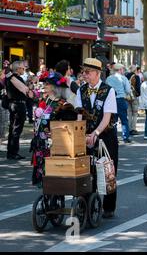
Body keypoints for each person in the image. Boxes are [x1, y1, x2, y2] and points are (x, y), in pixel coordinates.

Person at [76, 58, 118, 219]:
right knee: (86, 169)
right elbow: (79, 114)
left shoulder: (109, 90)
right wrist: (81, 134)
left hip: (106, 135)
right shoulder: (81, 90)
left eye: (88, 72)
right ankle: (86, 203)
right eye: (83, 72)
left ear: (97, 73)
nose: (85, 75)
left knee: (108, 170)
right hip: (86, 135)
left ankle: (109, 207)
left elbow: (107, 117)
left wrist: (96, 133)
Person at [31, 71, 77, 187]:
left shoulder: (63, 104)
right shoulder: (44, 100)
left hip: (54, 144)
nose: (44, 86)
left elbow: (66, 126)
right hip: (41, 143)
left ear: (54, 87)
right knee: (42, 174)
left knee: (53, 176)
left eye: (47, 84)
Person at [5, 61, 35, 159]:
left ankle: (11, 152)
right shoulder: (16, 78)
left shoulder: (10, 78)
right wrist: (31, 85)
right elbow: (27, 92)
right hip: (18, 105)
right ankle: (13, 153)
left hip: (13, 104)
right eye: (23, 68)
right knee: (16, 129)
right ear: (18, 69)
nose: (24, 69)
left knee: (13, 128)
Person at [106, 63, 133, 143]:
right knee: (124, 119)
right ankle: (126, 137)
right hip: (121, 99)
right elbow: (128, 90)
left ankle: (114, 137)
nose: (124, 71)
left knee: (113, 120)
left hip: (111, 100)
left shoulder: (109, 78)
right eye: (123, 69)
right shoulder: (123, 78)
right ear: (120, 70)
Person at [126, 65, 141, 136]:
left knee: (129, 113)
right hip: (134, 96)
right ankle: (133, 129)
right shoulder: (136, 77)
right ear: (135, 70)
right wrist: (138, 94)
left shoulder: (125, 76)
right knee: (135, 113)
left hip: (127, 96)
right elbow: (138, 87)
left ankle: (128, 129)